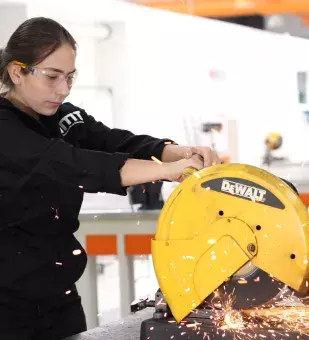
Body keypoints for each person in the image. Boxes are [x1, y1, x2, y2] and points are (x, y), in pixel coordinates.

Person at [0, 17, 220, 340]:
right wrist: (168, 171)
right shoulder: (6, 129)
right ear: (17, 72)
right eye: (51, 77)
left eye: (69, 78)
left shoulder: (61, 114)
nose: (62, 90)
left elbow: (112, 141)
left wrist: (176, 151)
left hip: (59, 298)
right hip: (8, 309)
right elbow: (78, 165)